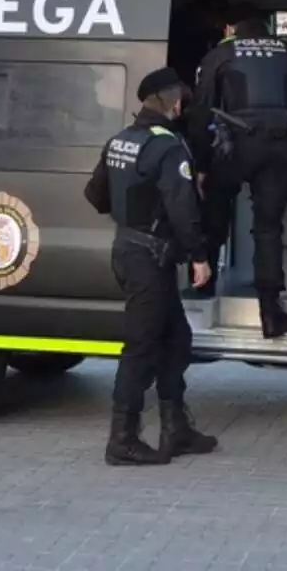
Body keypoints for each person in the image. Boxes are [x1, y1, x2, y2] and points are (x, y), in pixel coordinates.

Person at [84, 67, 219, 467]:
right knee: (141, 347)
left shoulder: (121, 140)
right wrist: (198, 256)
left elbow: (96, 195)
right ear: (170, 101)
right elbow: (183, 207)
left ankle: (175, 427)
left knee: (176, 338)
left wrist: (134, 210)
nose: (182, 106)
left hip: (129, 249)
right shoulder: (168, 147)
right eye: (180, 99)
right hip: (149, 258)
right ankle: (121, 440)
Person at [187, 13, 287, 339]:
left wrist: (199, 164)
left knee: (216, 212)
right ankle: (270, 311)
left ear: (229, 27)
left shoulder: (221, 53)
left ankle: (203, 290)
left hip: (236, 145)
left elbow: (202, 109)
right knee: (268, 227)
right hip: (283, 145)